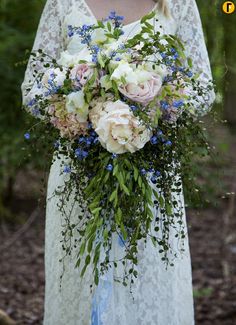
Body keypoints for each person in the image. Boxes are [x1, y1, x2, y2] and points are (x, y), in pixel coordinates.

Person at [21, 0, 215, 324]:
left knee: (148, 285)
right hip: (77, 174)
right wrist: (85, 108)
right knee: (81, 284)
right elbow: (32, 89)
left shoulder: (178, 4)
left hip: (152, 173)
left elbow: (203, 90)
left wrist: (150, 108)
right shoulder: (61, 4)